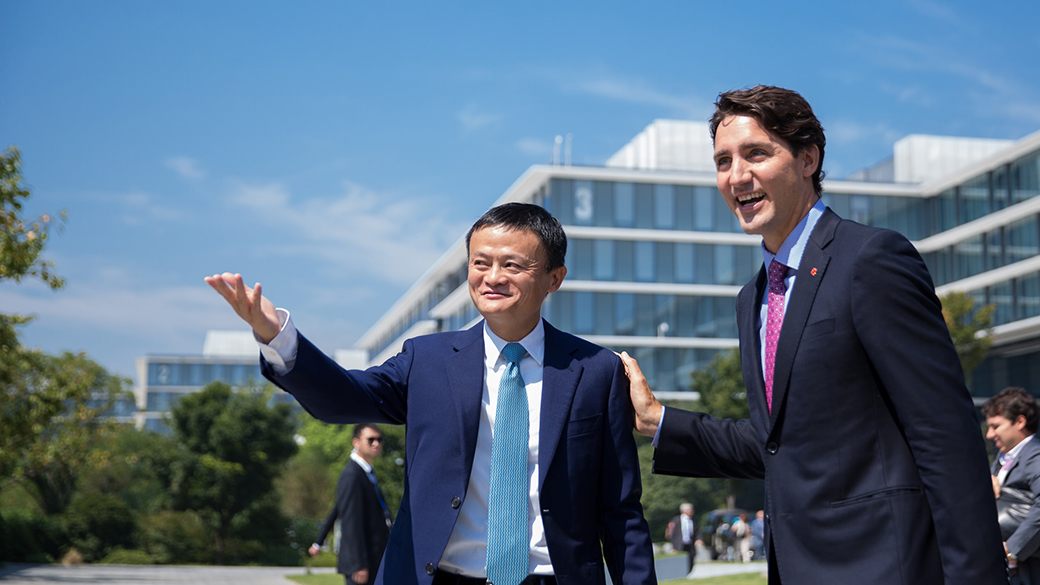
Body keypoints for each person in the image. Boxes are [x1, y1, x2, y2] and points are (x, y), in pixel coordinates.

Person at [620, 85, 1006, 584]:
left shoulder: (871, 260)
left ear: (807, 159)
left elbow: (945, 437)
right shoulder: (752, 297)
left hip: (888, 566)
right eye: (722, 161)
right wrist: (658, 421)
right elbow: (780, 444)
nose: (737, 175)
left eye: (756, 153)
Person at [205, 202, 655, 585]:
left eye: (512, 265)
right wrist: (279, 338)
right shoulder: (427, 359)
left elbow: (621, 513)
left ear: (554, 278)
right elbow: (342, 397)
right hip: (437, 575)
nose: (492, 277)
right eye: (480, 263)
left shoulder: (595, 371)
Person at [309, 424, 393, 585]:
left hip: (374, 557)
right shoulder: (352, 475)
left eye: (379, 439)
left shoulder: (366, 472)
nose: (376, 443)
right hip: (362, 564)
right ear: (356, 442)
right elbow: (351, 522)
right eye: (370, 440)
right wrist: (358, 564)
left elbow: (337, 509)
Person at [984, 387, 1040, 584]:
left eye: (996, 426)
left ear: (1020, 422)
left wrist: (1011, 550)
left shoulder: (1035, 457)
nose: (990, 434)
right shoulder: (1003, 458)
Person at [665, 503, 701, 574]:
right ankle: (680, 573)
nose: (692, 511)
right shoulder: (676, 520)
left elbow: (697, 531)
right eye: (690, 510)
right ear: (684, 511)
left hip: (690, 544)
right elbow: (671, 534)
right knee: (679, 560)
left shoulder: (693, 520)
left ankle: (687, 573)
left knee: (691, 558)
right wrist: (674, 546)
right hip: (679, 544)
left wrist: (698, 539)